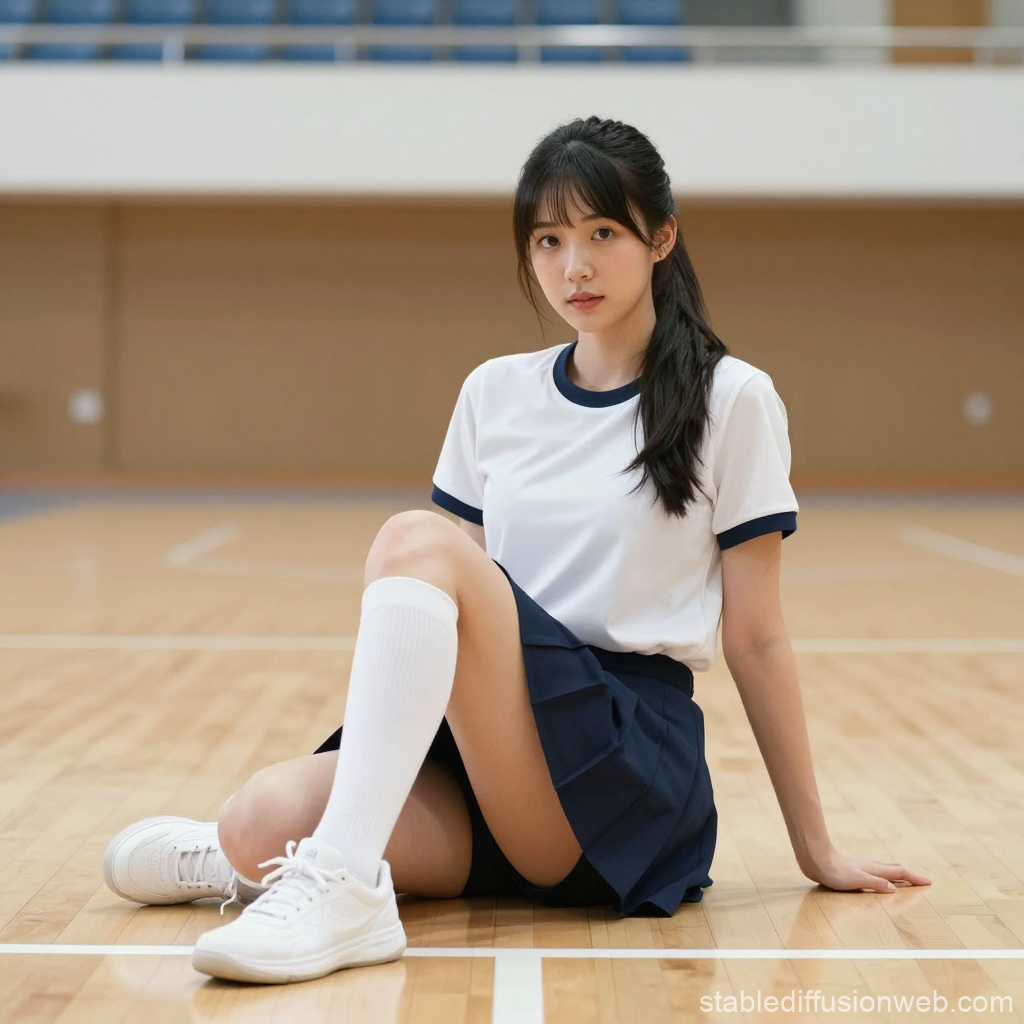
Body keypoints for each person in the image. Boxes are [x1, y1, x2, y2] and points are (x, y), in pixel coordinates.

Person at [102, 115, 931, 985]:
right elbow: (443, 631)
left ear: (663, 236)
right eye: (548, 239)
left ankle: (339, 882)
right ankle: (246, 859)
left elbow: (756, 637)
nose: (573, 266)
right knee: (259, 814)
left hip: (620, 758)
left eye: (602, 233)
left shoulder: (735, 398)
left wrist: (816, 847)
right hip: (496, 744)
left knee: (413, 541)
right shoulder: (494, 391)